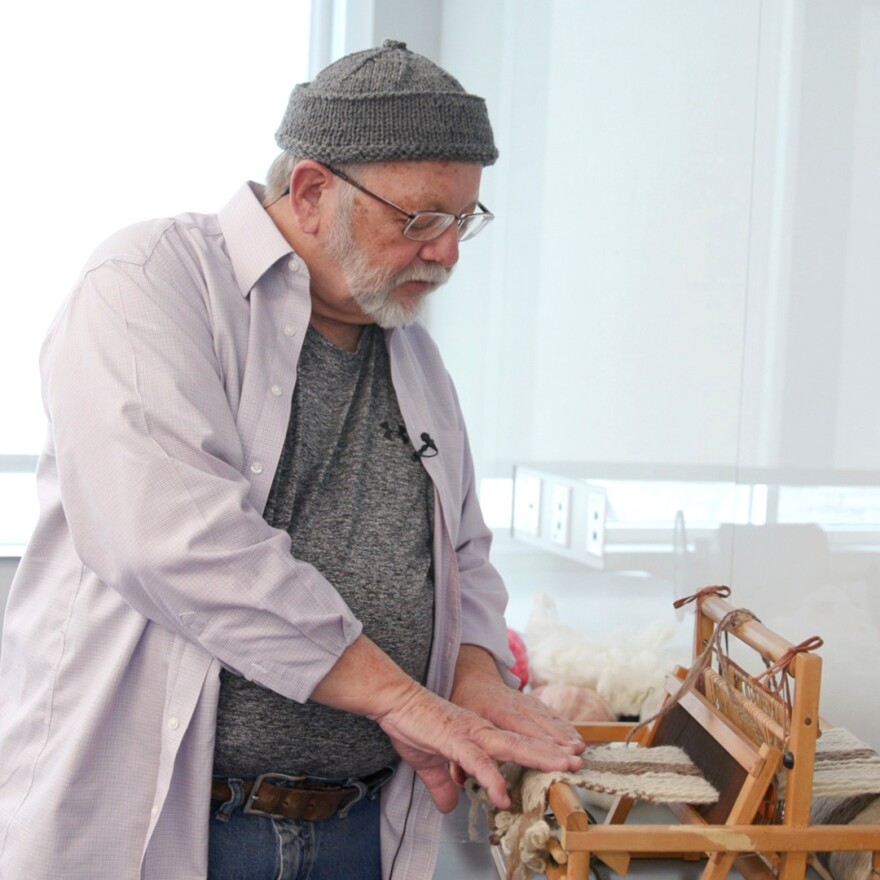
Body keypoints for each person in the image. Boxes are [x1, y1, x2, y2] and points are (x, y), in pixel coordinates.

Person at [0, 40, 584, 879]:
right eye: (420, 219)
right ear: (311, 192)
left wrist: (476, 673)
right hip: (179, 821)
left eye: (463, 221)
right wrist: (403, 699)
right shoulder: (148, 283)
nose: (448, 253)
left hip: (351, 827)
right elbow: (178, 544)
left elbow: (463, 553)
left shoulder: (411, 353)